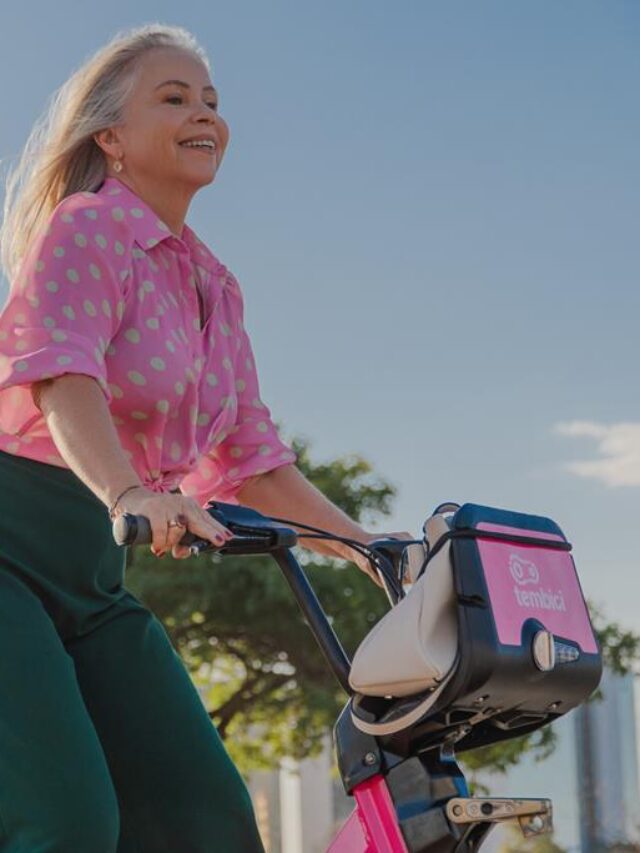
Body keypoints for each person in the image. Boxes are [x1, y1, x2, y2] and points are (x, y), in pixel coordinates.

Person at [0, 23, 409, 853]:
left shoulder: (213, 285)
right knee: (67, 822)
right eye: (175, 96)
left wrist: (370, 547)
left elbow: (253, 459)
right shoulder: (87, 227)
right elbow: (62, 376)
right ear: (110, 136)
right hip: (11, 546)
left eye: (213, 101)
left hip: (94, 575)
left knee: (206, 819)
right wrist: (131, 491)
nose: (205, 114)